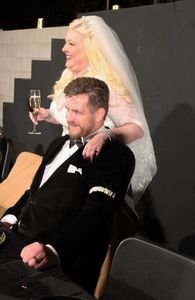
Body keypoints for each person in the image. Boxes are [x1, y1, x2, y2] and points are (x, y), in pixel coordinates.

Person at [1, 77, 135, 294]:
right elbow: (33, 193)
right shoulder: (58, 144)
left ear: (100, 114)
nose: (69, 119)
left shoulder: (117, 156)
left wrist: (54, 249)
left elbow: (97, 211)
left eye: (77, 112)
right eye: (68, 110)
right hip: (16, 241)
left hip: (58, 264)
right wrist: (8, 219)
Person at [30, 15, 157, 208]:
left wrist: (105, 135)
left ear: (90, 47)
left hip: (91, 171)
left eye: (71, 44)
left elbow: (137, 128)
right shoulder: (69, 75)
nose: (64, 48)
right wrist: (47, 115)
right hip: (64, 162)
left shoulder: (105, 83)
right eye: (65, 42)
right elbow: (73, 119)